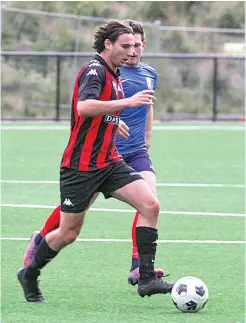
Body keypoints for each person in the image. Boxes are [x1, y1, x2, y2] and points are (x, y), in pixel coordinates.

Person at [17, 20, 174, 303]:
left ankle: (146, 278)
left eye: (135, 46)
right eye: (125, 46)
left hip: (109, 161)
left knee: (150, 204)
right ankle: (30, 272)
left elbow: (100, 111)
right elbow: (84, 107)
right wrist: (126, 105)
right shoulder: (95, 70)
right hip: (81, 167)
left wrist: (113, 123)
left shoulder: (114, 74)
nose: (131, 51)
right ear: (108, 45)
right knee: (68, 233)